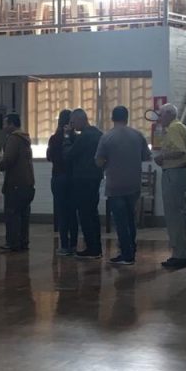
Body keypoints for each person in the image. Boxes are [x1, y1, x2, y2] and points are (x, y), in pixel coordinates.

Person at [95, 106, 150, 265]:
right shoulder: (138, 135)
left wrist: (109, 162)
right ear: (127, 117)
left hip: (115, 185)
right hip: (134, 183)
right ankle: (132, 249)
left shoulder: (107, 137)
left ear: (112, 118)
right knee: (131, 218)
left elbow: (99, 162)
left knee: (120, 221)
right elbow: (146, 156)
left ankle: (126, 254)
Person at [153, 103, 186, 269]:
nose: (159, 118)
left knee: (174, 215)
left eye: (161, 115)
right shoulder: (181, 127)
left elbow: (180, 150)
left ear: (169, 114)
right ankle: (182, 253)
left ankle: (179, 255)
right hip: (180, 173)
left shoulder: (174, 128)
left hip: (174, 173)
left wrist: (162, 157)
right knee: (180, 214)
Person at [63, 109, 103, 259]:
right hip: (95, 177)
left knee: (85, 214)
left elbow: (69, 154)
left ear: (81, 119)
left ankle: (91, 249)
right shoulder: (98, 133)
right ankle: (97, 247)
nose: (72, 126)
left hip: (82, 178)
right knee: (93, 213)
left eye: (73, 122)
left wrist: (67, 137)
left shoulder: (85, 136)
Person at [0, 112, 35, 252]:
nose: (3, 127)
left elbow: (9, 159)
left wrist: (0, 166)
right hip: (27, 183)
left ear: (12, 124)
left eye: (5, 124)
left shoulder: (13, 138)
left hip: (15, 183)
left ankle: (12, 243)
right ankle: (23, 242)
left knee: (12, 214)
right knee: (23, 215)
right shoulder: (25, 138)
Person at [46, 109, 78, 256]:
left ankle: (64, 245)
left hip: (58, 177)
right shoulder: (76, 138)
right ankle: (74, 244)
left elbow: (49, 157)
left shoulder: (54, 138)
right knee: (72, 212)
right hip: (73, 178)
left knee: (62, 212)